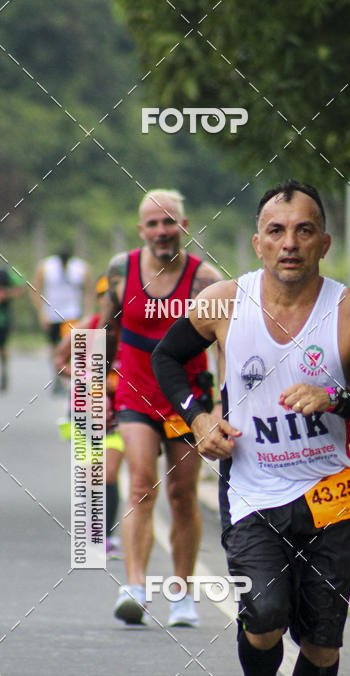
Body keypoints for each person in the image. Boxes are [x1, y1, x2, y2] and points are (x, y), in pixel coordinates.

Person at [152, 180, 350, 676]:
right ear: (258, 243)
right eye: (277, 231)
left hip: (329, 495)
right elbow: (166, 359)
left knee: (322, 641)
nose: (290, 243)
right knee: (262, 615)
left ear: (324, 243)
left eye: (304, 230)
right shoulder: (222, 303)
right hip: (253, 492)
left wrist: (334, 397)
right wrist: (198, 418)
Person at [104, 189, 220, 627]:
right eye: (152, 223)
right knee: (141, 485)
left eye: (169, 221)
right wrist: (92, 387)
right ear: (141, 230)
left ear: (184, 226)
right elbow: (105, 329)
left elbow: (224, 341)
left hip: (187, 401)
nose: (161, 231)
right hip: (135, 394)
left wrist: (220, 406)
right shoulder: (121, 270)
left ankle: (182, 594)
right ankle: (134, 587)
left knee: (182, 494)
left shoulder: (205, 280)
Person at [54, 276, 125, 557]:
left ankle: (105, 535)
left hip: (119, 414)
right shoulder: (87, 327)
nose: (109, 301)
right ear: (98, 299)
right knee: (89, 474)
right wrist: (86, 377)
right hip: (85, 412)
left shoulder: (131, 333)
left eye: (114, 297)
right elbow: (60, 362)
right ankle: (91, 527)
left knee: (108, 472)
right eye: (104, 295)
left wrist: (120, 384)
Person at [31, 250, 94, 391]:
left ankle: (72, 379)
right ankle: (57, 377)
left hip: (72, 314)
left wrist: (88, 313)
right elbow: (35, 289)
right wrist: (41, 313)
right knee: (54, 347)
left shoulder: (81, 267)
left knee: (72, 347)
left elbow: (89, 291)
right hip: (52, 314)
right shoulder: (46, 266)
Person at [0, 267, 26, 392]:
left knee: (3, 347)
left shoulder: (4, 274)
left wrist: (7, 294)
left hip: (3, 318)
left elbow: (22, 285)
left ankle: (4, 372)